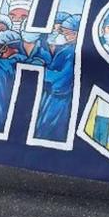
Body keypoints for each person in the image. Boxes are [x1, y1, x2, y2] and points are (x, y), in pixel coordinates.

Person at [34, 12, 80, 142]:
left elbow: (62, 79)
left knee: (49, 128)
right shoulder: (63, 49)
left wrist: (42, 73)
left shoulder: (71, 52)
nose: (62, 35)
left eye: (64, 31)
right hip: (50, 95)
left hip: (59, 98)